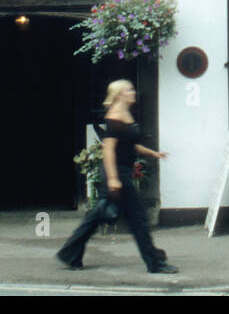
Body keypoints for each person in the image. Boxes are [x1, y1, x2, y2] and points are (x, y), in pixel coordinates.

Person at [56, 79, 178, 274]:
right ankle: (154, 263)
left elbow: (129, 145)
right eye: (129, 90)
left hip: (120, 173)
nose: (133, 92)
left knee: (96, 218)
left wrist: (153, 153)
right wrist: (113, 179)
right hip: (117, 174)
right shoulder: (114, 116)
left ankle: (70, 253)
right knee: (138, 219)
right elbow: (109, 150)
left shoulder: (125, 114)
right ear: (120, 94)